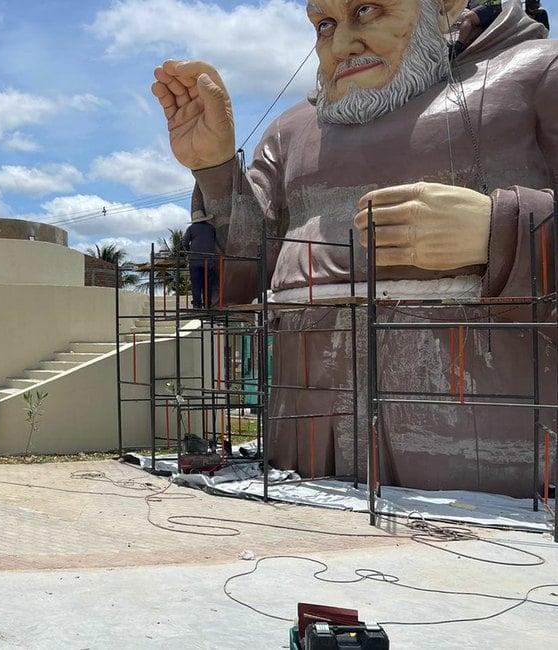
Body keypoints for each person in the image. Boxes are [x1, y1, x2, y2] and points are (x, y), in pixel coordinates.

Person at [151, 0, 558, 497]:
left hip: (498, 463)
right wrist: (215, 169)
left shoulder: (539, 75)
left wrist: (500, 228)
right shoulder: (291, 131)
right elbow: (239, 280)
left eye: (368, 10)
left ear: (444, 6)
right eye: (325, 24)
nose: (341, 43)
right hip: (306, 464)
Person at [182, 200, 223, 309]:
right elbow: (213, 240)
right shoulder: (211, 228)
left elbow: (184, 243)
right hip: (209, 260)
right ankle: (207, 304)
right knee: (207, 284)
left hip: (195, 260)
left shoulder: (191, 229)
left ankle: (197, 305)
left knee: (196, 283)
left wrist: (189, 251)